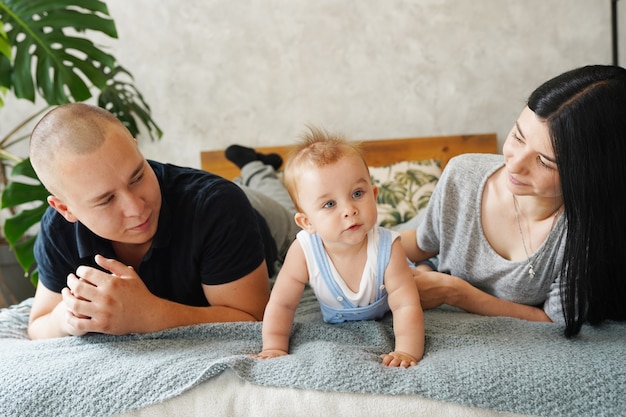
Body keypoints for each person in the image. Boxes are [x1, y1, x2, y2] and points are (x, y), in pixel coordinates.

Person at [27, 103, 299, 340]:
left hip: (264, 217)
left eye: (137, 177)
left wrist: (150, 315)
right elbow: (38, 325)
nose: (136, 208)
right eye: (106, 200)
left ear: (135, 145)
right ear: (65, 209)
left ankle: (255, 166)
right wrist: (67, 316)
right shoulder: (58, 230)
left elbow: (253, 318)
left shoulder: (218, 205)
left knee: (296, 213)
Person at [400, 64, 626, 337]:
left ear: (589, 175)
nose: (515, 165)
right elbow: (424, 244)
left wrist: (455, 293)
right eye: (518, 136)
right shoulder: (462, 175)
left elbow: (552, 319)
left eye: (543, 161)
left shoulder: (586, 233)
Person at [253, 128, 425, 367]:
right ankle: (255, 168)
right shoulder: (304, 251)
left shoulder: (389, 247)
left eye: (357, 193)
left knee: (418, 283)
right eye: (330, 204)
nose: (349, 210)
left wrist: (407, 351)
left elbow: (405, 305)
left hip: (388, 283)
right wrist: (273, 346)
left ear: (373, 195)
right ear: (307, 222)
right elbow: (282, 303)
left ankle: (424, 267)